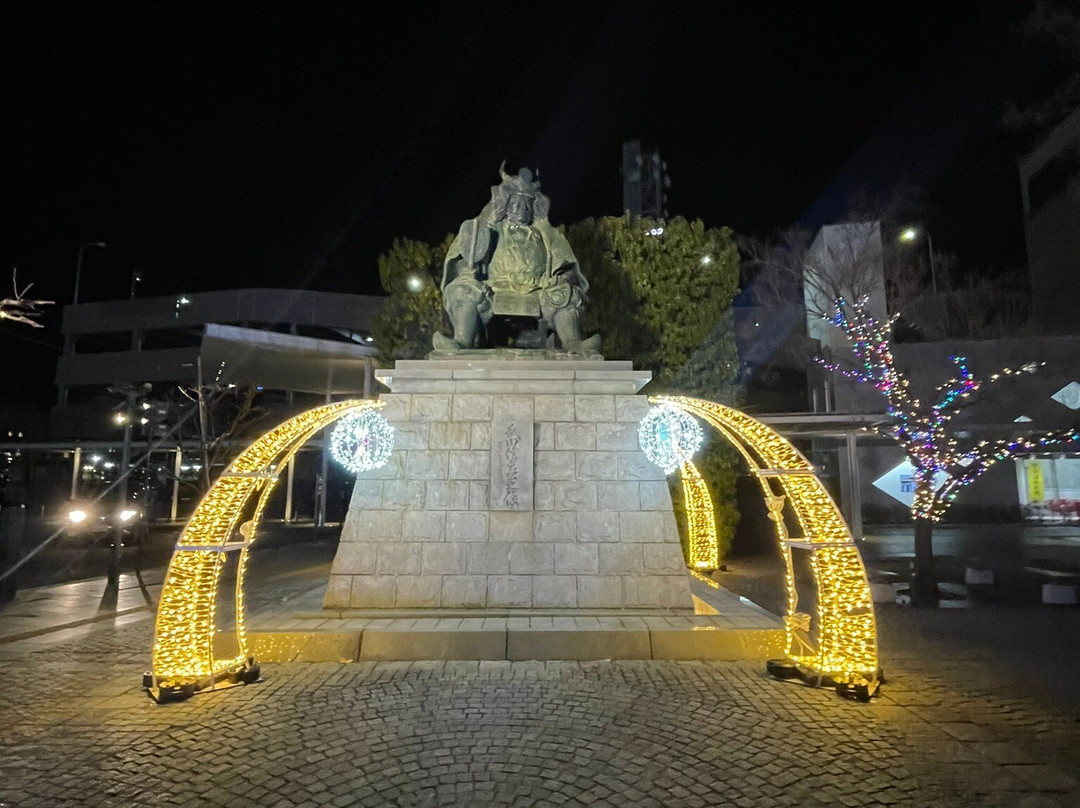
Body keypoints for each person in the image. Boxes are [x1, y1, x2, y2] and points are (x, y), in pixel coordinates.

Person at [432, 165, 600, 353]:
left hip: (539, 289)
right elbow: (468, 252)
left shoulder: (548, 236)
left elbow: (567, 268)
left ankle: (572, 342)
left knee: (567, 293)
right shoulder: (492, 230)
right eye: (516, 202)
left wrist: (560, 278)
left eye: (527, 203)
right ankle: (462, 341)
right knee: (464, 289)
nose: (522, 208)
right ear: (506, 204)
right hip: (494, 288)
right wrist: (466, 270)